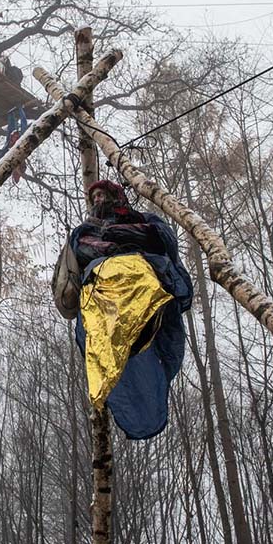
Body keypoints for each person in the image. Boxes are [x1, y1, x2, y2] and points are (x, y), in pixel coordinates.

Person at [52, 180, 192, 439]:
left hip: (146, 278)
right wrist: (109, 247)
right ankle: (130, 340)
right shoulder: (86, 229)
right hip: (103, 291)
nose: (98, 200)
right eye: (94, 196)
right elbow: (80, 252)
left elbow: (163, 239)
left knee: (144, 294)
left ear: (117, 196)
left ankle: (142, 331)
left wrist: (131, 237)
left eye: (103, 194)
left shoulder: (144, 219)